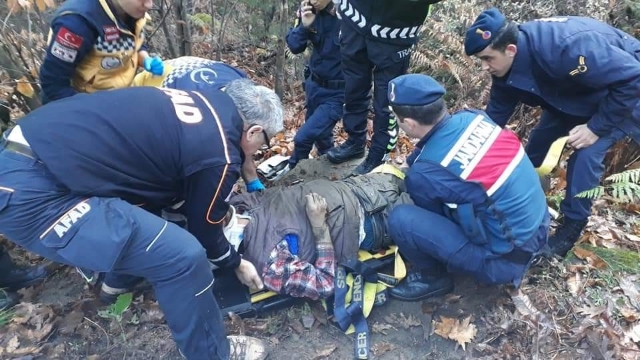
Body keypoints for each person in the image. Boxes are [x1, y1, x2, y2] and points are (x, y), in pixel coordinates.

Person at [0, 80, 283, 359]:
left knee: (154, 221)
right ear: (254, 131)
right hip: (36, 195)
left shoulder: (199, 98)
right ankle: (211, 353)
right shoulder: (221, 153)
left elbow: (153, 176)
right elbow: (205, 229)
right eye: (263, 143)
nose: (258, 152)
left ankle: (116, 282)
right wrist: (234, 262)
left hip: (26, 149)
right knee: (182, 255)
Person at [463, 8, 640, 257]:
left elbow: (632, 78)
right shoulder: (506, 68)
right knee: (535, 150)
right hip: (572, 95)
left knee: (585, 156)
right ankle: (526, 206)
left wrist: (594, 128)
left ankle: (570, 229)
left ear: (510, 50)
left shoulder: (568, 48)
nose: (484, 67)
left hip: (623, 94)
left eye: (487, 58)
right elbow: (493, 120)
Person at [384, 74, 550, 301]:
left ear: (410, 124)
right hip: (540, 227)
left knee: (402, 219)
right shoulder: (472, 117)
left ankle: (433, 278)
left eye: (398, 119)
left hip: (504, 262)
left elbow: (432, 214)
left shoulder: (424, 174)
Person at [225, 170, 410, 299]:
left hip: (357, 186)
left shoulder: (237, 205)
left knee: (420, 176)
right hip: (371, 221)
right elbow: (325, 283)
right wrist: (319, 226)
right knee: (428, 202)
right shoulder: (270, 265)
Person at [325, 0, 442, 175]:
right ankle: (355, 141)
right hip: (354, 19)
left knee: (387, 102)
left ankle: (379, 154)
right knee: (353, 89)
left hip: (396, 32)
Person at [132, 56, 267, 194]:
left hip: (184, 71)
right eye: (263, 143)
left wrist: (252, 179)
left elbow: (243, 139)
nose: (259, 149)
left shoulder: (242, 83)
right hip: (141, 92)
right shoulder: (198, 117)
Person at [39, 0, 163, 104]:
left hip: (121, 94)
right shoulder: (77, 23)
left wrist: (145, 58)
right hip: (84, 103)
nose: (149, 5)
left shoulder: (131, 10)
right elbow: (53, 84)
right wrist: (94, 112)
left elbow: (135, 42)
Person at [285, 0, 343, 170]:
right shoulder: (308, 9)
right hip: (314, 86)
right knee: (322, 135)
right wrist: (304, 25)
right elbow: (295, 46)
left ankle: (294, 171)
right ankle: (327, 167)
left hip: (339, 92)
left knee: (303, 138)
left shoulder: (349, 12)